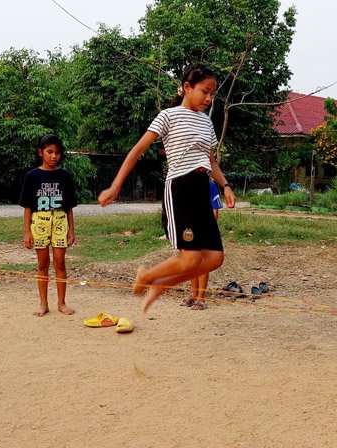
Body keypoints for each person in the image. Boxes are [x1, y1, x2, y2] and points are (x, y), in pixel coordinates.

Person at [98, 63, 237, 312]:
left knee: (215, 258)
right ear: (187, 87)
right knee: (191, 257)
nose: (209, 98)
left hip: (202, 189)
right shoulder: (168, 116)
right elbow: (137, 150)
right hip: (181, 187)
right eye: (205, 91)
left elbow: (210, 160)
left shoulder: (206, 122)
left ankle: (160, 284)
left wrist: (225, 185)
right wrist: (115, 186)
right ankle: (148, 277)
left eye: (212, 93)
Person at [19, 134, 77, 317]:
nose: (54, 156)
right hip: (39, 222)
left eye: (57, 153)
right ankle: (43, 304)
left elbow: (69, 207)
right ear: (40, 152)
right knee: (43, 264)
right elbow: (28, 207)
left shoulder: (65, 177)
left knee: (60, 263)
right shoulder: (32, 176)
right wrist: (27, 232)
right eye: (49, 152)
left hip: (60, 222)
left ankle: (62, 303)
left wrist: (71, 231)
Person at [179, 179, 222, 310]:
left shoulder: (209, 184)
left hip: (204, 228)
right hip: (189, 230)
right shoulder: (185, 184)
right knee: (192, 263)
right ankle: (193, 296)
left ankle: (201, 298)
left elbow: (215, 209)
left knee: (203, 263)